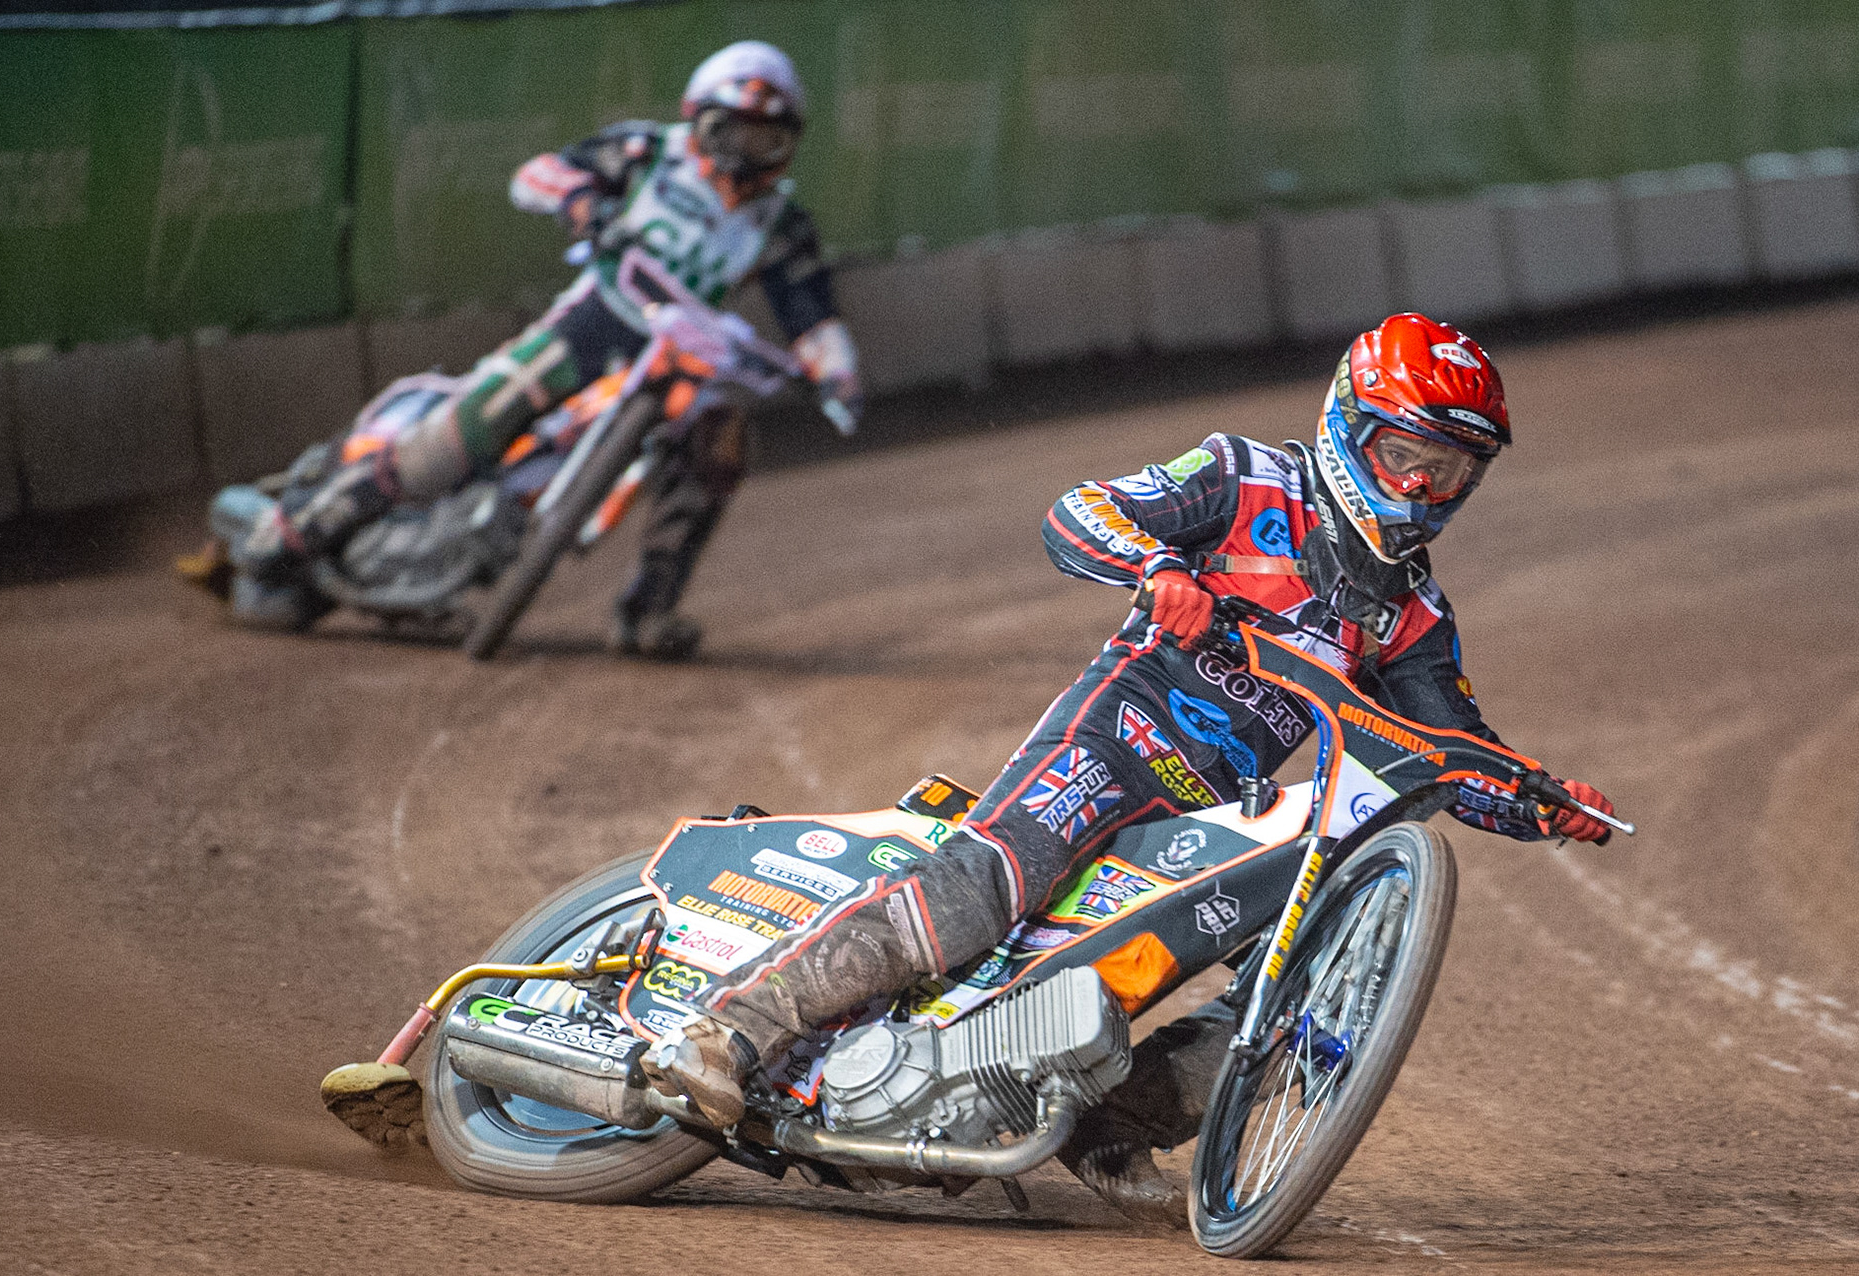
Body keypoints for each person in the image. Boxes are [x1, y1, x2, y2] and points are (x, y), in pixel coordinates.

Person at [641, 313, 1616, 1224]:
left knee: (1300, 984)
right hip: (1114, 741)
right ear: (1347, 427)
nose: (1422, 489)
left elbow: (1454, 754)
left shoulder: (1413, 619)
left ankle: (1112, 1124)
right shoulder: (1245, 480)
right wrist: (1159, 570)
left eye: (1449, 472)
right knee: (992, 883)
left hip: (1220, 813)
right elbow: (1080, 513)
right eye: (1404, 456)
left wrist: (1545, 803)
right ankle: (729, 1029)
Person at [234, 40, 862, 658]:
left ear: (788, 143)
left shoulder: (784, 227)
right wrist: (584, 204)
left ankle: (649, 610)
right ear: (697, 117)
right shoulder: (645, 151)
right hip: (596, 320)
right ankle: (298, 532)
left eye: (765, 140)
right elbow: (536, 173)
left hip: (683, 356)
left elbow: (813, 316)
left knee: (721, 438)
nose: (745, 156)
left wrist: (837, 378)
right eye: (732, 132)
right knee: (477, 423)